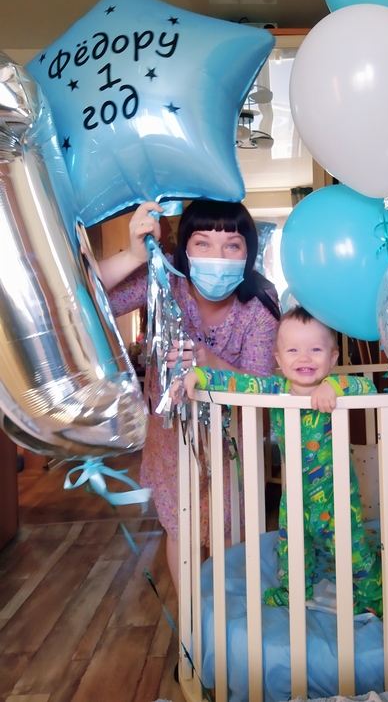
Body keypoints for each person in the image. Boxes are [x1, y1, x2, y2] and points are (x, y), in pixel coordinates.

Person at [98, 199, 280, 591]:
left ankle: (229, 618)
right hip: (171, 437)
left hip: (232, 442)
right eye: (203, 243)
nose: (218, 256)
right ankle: (192, 623)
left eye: (232, 245)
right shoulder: (165, 277)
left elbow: (261, 386)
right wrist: (132, 256)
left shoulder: (260, 303)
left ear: (249, 252)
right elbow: (89, 297)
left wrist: (209, 361)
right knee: (181, 529)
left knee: (230, 532)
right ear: (184, 248)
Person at [172, 306, 383, 616]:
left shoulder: (338, 391)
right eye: (293, 350)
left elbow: (369, 387)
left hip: (338, 498)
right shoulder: (275, 390)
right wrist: (199, 375)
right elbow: (236, 383)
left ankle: (374, 597)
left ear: (333, 357)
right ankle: (293, 590)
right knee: (291, 547)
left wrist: (334, 386)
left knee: (353, 550)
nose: (304, 357)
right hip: (294, 496)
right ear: (279, 359)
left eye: (315, 349)